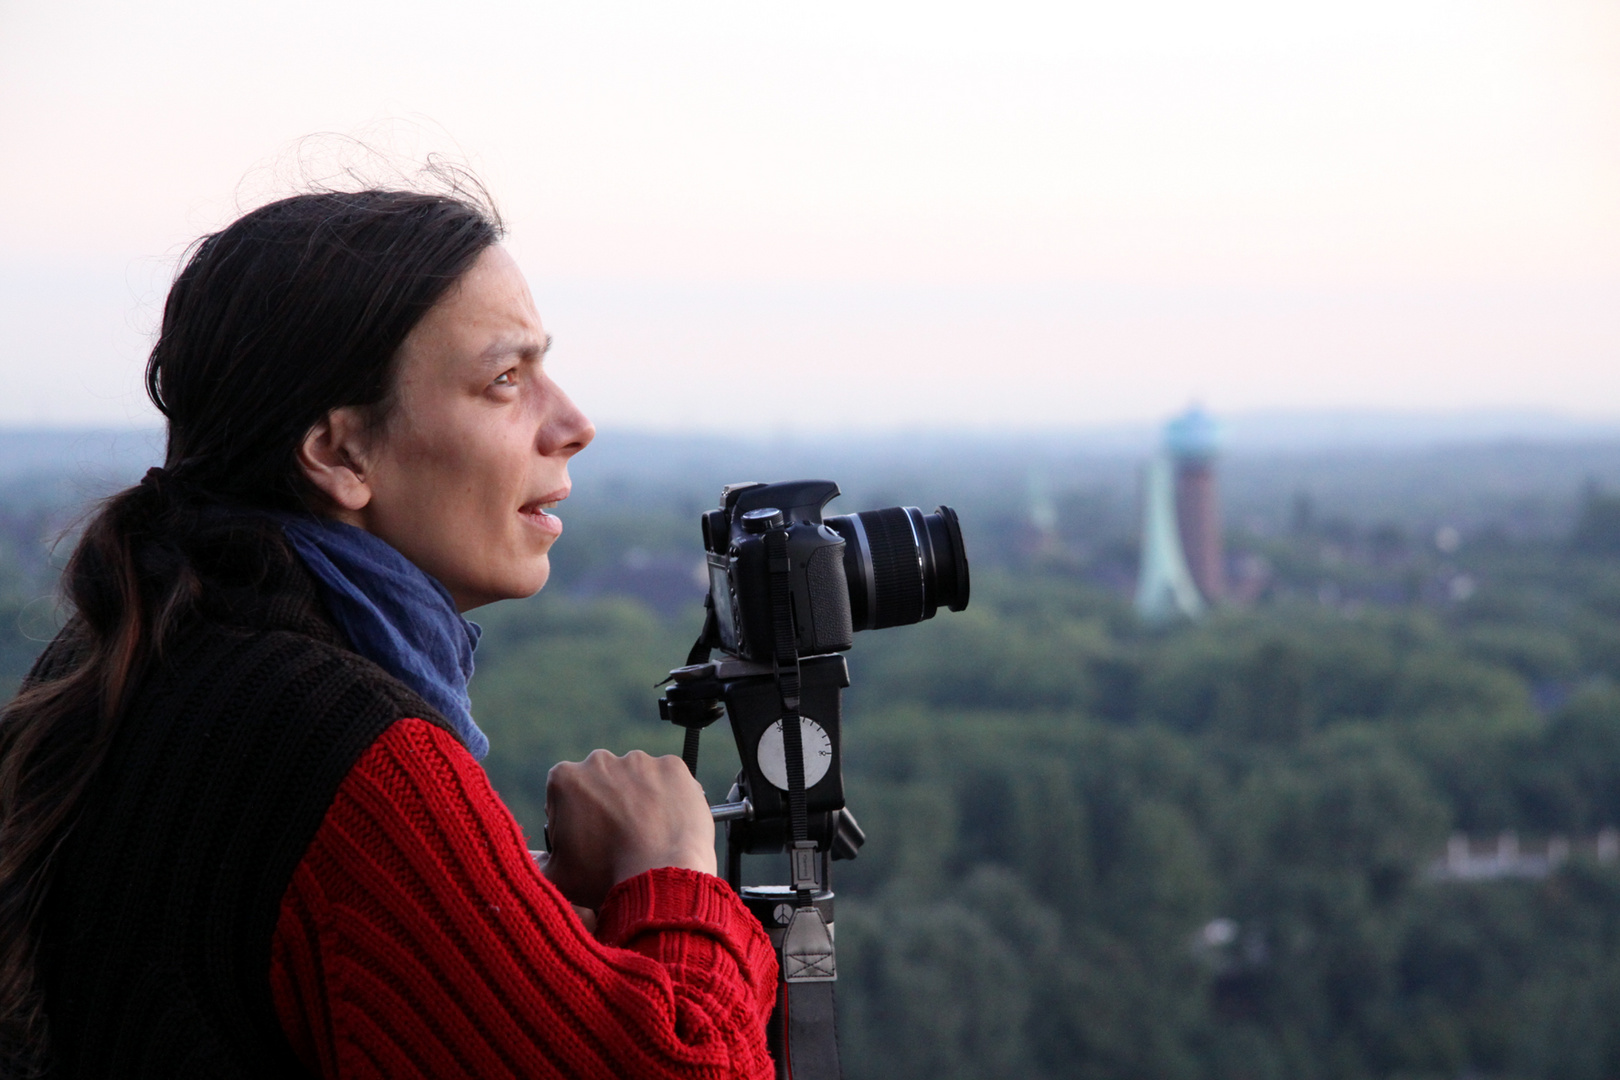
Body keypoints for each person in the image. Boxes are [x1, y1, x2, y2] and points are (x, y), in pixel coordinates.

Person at [0, 186, 778, 1078]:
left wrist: (503, 915)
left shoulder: (130, 655)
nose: (573, 425)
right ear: (339, 454)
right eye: (505, 380)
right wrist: (674, 869)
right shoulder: (355, 758)